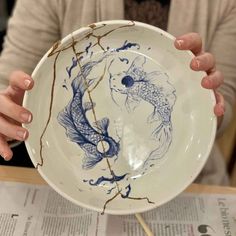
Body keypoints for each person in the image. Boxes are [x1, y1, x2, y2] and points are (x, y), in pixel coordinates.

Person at [0, 0, 235, 185]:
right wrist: (11, 112)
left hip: (191, 179)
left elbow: (225, 103)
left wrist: (208, 105)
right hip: (71, 181)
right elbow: (6, 83)